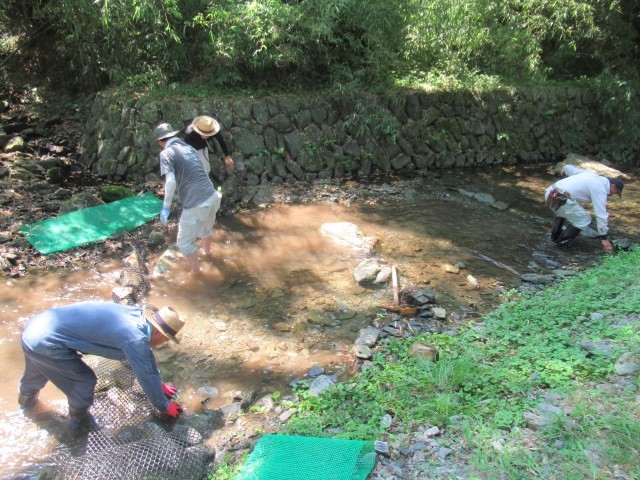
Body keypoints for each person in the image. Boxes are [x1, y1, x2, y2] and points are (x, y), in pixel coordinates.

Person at [18, 301, 185, 433]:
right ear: (158, 332)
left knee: (36, 373)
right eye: (166, 339)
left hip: (35, 329)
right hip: (46, 343)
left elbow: (145, 360)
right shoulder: (136, 339)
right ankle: (80, 424)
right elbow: (145, 373)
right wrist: (164, 407)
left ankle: (26, 404)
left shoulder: (134, 316)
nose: (164, 343)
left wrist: (160, 385)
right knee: (84, 381)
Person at [154, 122, 222, 273]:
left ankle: (197, 274)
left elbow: (170, 182)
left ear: (159, 142)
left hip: (196, 203)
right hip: (213, 196)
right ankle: (208, 255)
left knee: (184, 243)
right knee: (205, 229)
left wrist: (166, 207)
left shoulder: (166, 154)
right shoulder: (188, 148)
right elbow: (202, 169)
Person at [545, 164, 624, 252]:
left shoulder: (590, 174)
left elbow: (568, 168)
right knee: (584, 219)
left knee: (564, 211)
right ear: (612, 186)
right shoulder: (600, 188)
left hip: (550, 192)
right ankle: (561, 245)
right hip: (559, 199)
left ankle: (554, 237)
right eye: (615, 192)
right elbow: (600, 214)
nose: (612, 195)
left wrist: (563, 170)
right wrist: (604, 238)